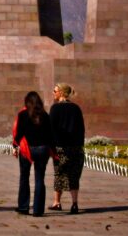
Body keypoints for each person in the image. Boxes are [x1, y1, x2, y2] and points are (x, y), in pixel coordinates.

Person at [12, 91, 55, 217]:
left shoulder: (23, 114)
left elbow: (18, 133)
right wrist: (53, 150)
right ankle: (38, 210)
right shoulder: (45, 115)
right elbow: (50, 134)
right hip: (42, 149)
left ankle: (24, 207)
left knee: (24, 177)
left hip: (27, 149)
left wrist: (15, 146)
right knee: (39, 178)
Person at [49, 82, 85, 214]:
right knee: (74, 176)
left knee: (59, 174)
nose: (53, 93)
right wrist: (80, 145)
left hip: (60, 147)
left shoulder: (55, 108)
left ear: (61, 93)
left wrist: (51, 146)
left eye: (55, 90)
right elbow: (81, 129)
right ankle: (74, 204)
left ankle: (57, 202)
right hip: (76, 147)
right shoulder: (76, 108)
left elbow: (50, 129)